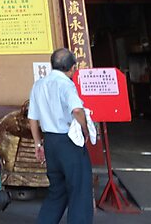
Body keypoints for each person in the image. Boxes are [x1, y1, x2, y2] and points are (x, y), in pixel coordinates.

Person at [28, 48, 94, 224]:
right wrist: (85, 130)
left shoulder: (39, 85)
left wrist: (38, 144)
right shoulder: (66, 84)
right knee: (80, 189)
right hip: (69, 142)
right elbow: (77, 110)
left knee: (57, 191)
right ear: (72, 68)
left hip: (50, 142)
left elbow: (33, 118)